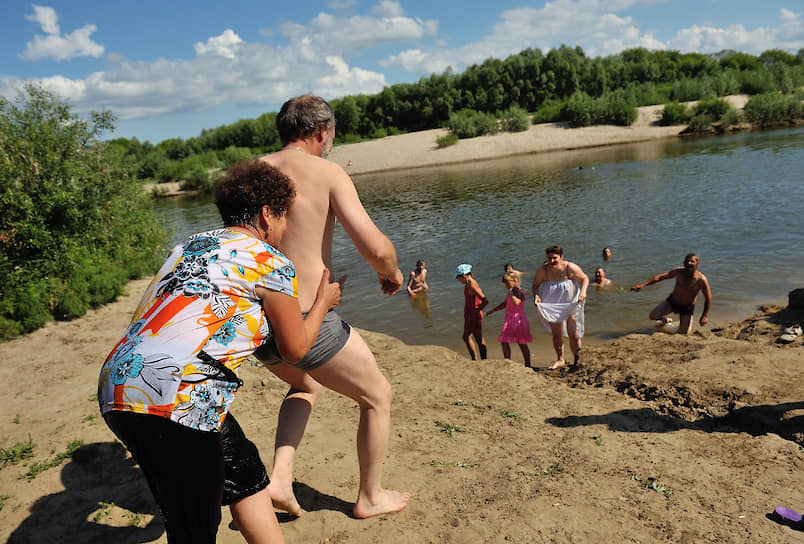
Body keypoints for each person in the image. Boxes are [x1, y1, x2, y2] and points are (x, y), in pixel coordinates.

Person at [98, 160, 344, 544]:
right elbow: (295, 348)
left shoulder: (187, 246)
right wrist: (323, 304)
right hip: (174, 399)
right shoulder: (270, 261)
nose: (284, 230)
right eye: (284, 219)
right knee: (195, 529)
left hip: (120, 385)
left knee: (244, 473)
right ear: (266, 215)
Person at [253, 95, 410, 519]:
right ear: (323, 131)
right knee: (377, 395)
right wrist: (392, 272)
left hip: (254, 324)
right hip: (306, 319)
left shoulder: (252, 173)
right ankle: (370, 497)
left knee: (306, 385)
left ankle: (280, 481)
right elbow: (374, 246)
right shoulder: (326, 172)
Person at [532, 246, 589, 370]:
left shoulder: (570, 267)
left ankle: (577, 359)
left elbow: (585, 278)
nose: (552, 261)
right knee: (556, 334)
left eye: (555, 258)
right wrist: (536, 295)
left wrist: (583, 292)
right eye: (549, 258)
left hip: (571, 302)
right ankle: (560, 359)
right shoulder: (543, 270)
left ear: (561, 257)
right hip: (552, 304)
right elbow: (535, 285)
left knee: (573, 333)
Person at [630, 253, 712, 335]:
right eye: (687, 261)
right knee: (653, 316)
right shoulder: (678, 272)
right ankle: (665, 320)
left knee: (684, 333)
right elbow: (660, 277)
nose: (688, 263)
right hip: (673, 302)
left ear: (697, 264)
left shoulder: (701, 280)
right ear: (684, 262)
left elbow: (708, 298)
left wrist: (705, 315)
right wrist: (643, 285)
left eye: (692, 261)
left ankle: (686, 321)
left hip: (687, 307)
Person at [486, 272, 532, 367]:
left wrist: (511, 293)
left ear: (515, 281)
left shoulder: (519, 292)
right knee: (504, 341)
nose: (506, 285)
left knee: (521, 342)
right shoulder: (512, 293)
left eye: (507, 283)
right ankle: (508, 361)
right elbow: (505, 303)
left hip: (518, 319)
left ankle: (528, 363)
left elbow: (516, 303)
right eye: (505, 284)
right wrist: (493, 310)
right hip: (510, 319)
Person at [455, 263, 488, 360]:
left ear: (464, 276)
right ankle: (479, 359)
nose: (458, 280)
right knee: (472, 337)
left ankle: (478, 359)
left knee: (472, 337)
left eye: (458, 278)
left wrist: (476, 311)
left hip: (473, 315)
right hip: (470, 314)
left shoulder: (471, 285)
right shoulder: (469, 283)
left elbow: (485, 300)